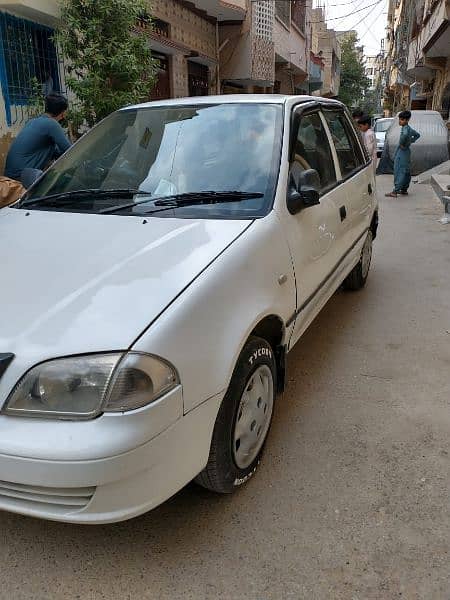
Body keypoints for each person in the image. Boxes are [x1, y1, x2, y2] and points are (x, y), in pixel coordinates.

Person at [5, 94, 71, 185]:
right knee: (65, 183)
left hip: (11, 176)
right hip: (22, 176)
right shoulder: (52, 124)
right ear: (63, 113)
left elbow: (57, 152)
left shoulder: (33, 121)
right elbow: (70, 150)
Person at [385, 110, 420, 197]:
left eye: (402, 120)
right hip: (407, 152)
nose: (400, 121)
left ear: (407, 120)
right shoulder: (409, 128)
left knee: (399, 171)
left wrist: (402, 143)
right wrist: (411, 141)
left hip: (402, 152)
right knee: (406, 171)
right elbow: (417, 135)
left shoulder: (405, 129)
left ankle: (395, 191)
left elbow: (404, 135)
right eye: (400, 119)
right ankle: (404, 189)